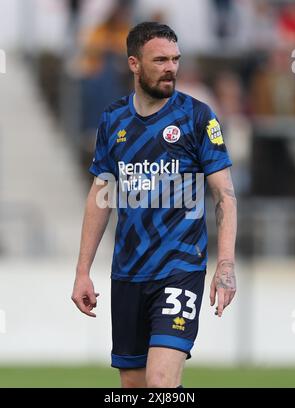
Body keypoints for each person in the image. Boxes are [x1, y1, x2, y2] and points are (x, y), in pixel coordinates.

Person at [72, 22, 237, 388]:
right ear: (134, 63)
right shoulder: (113, 121)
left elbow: (224, 195)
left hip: (180, 268)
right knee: (133, 385)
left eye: (175, 59)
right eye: (160, 60)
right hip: (128, 272)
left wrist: (225, 264)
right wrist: (82, 270)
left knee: (160, 382)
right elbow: (101, 195)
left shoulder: (197, 117)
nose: (171, 68)